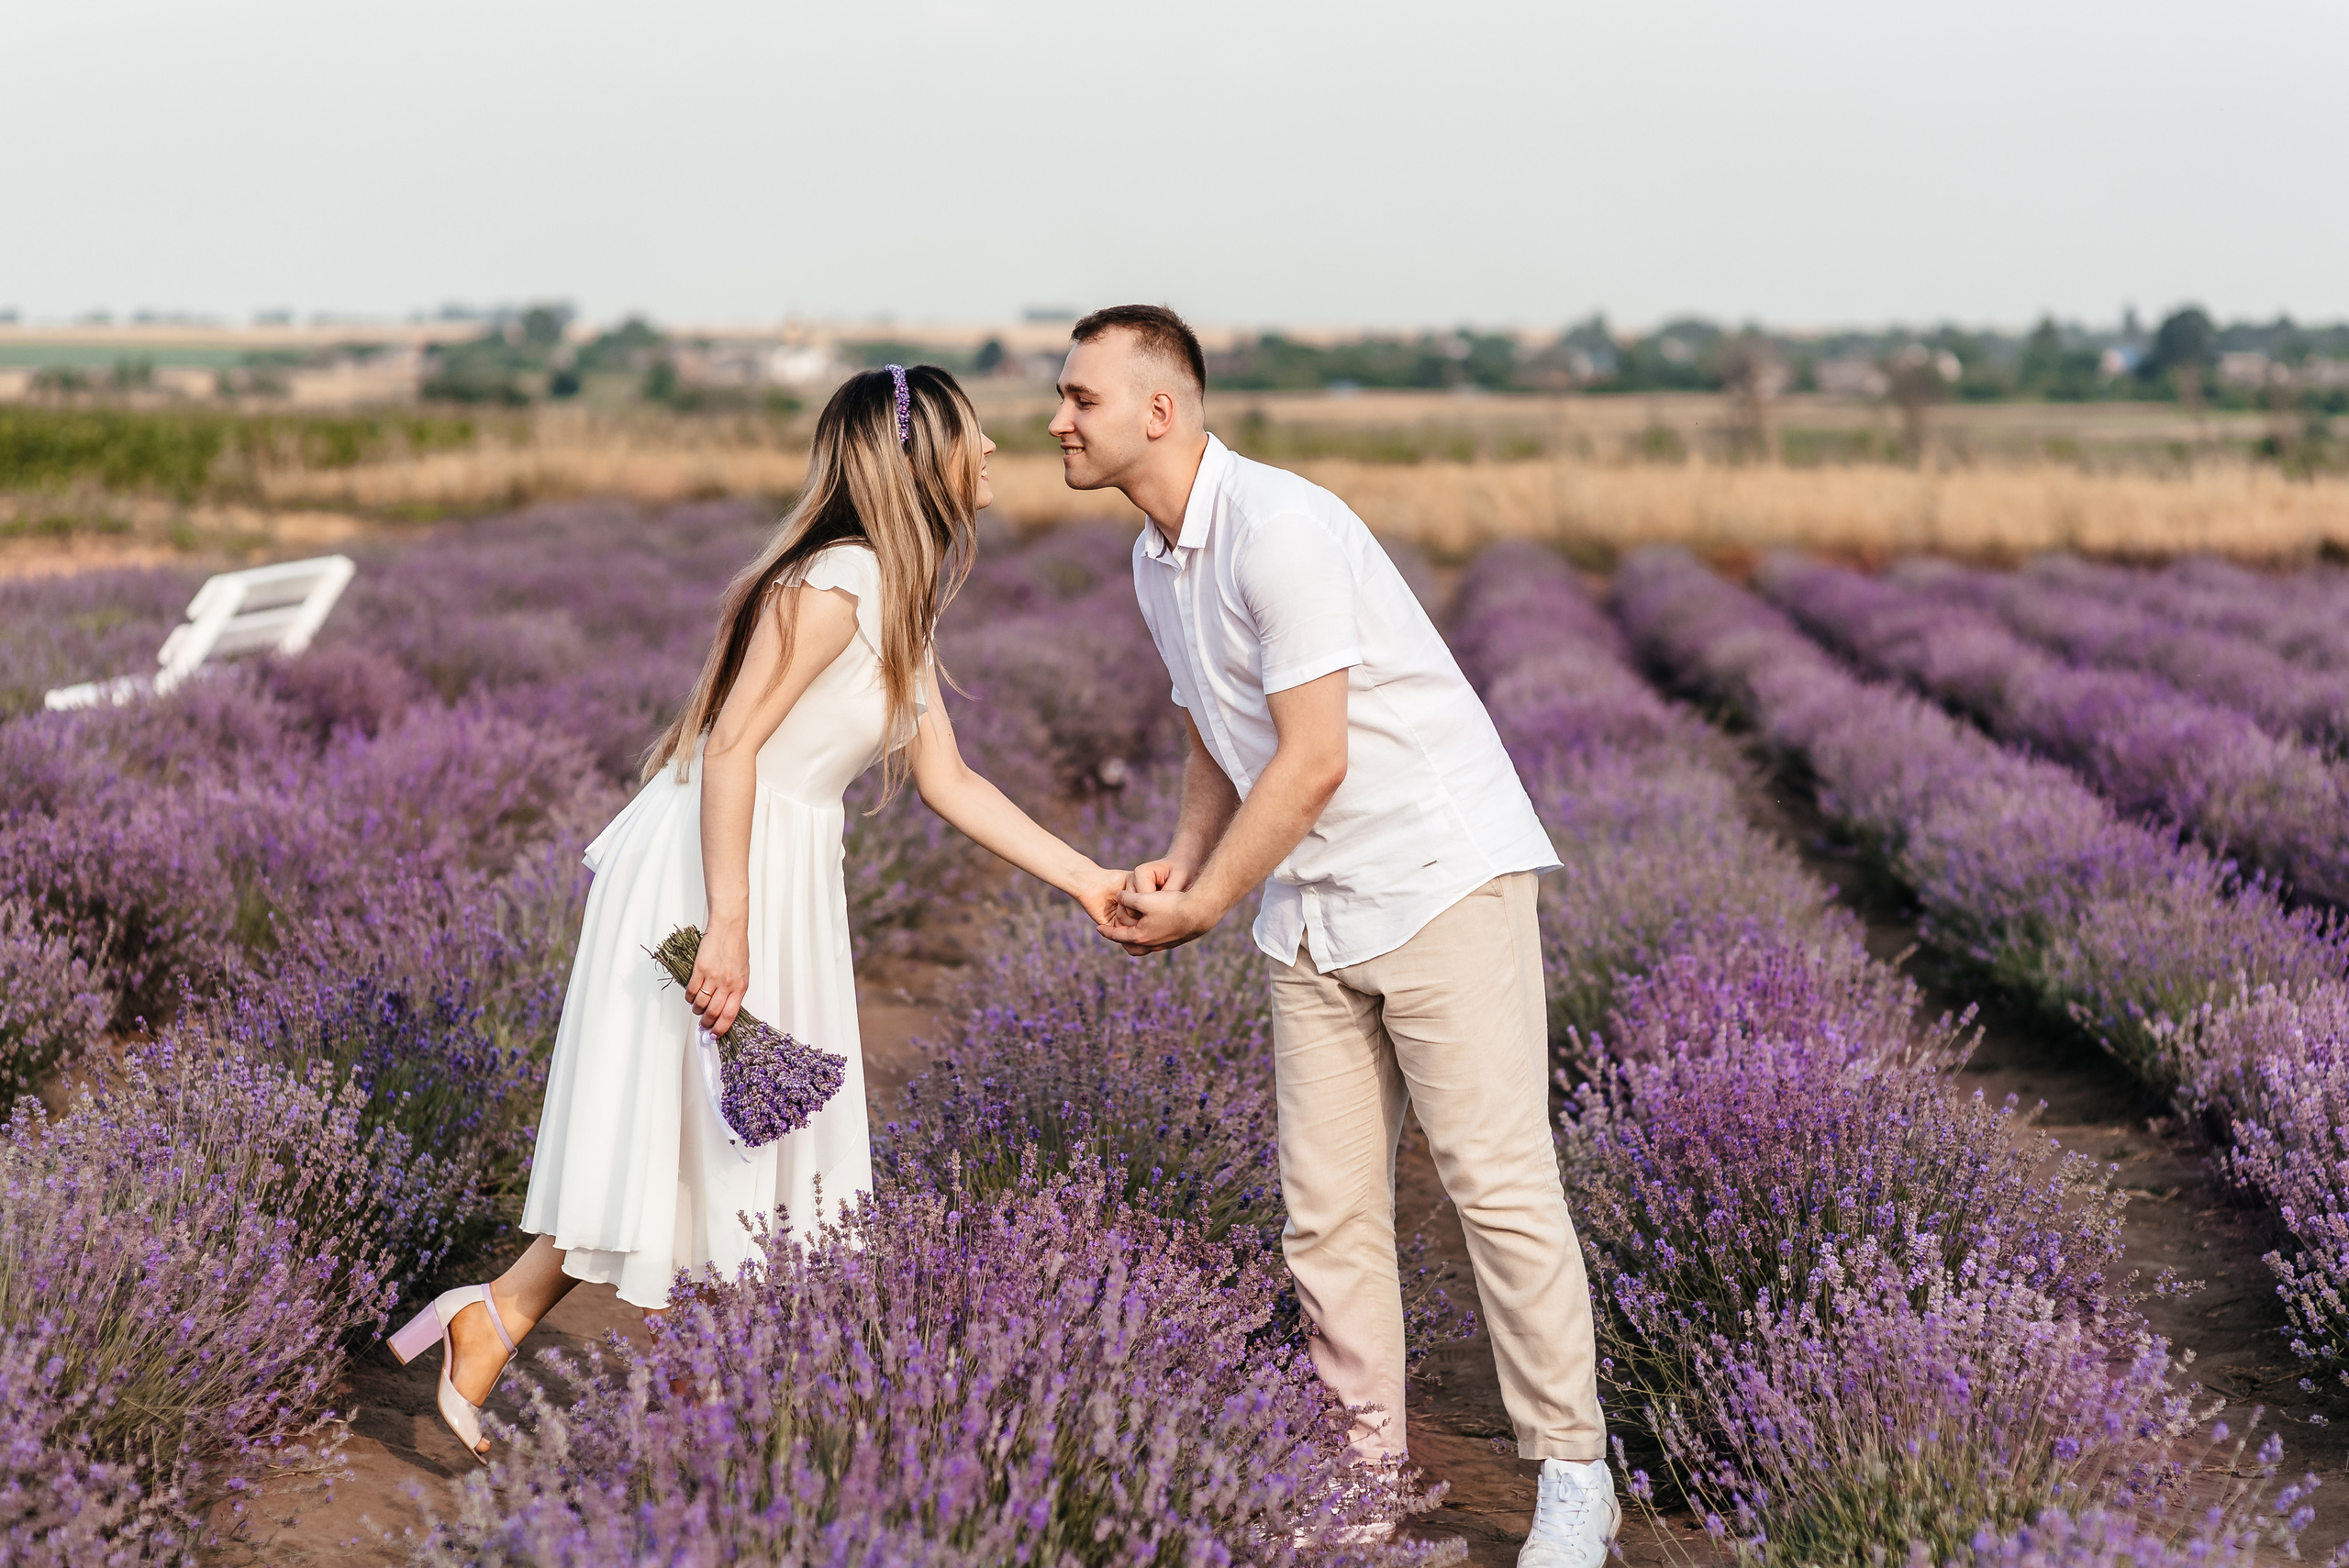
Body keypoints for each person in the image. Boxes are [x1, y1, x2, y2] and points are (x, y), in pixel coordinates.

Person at [387, 364, 1130, 1462]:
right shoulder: (842, 577)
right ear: (923, 459)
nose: (993, 457)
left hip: (771, 862)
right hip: (714, 865)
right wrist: (729, 922)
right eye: (976, 438)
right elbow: (730, 744)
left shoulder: (894, 589)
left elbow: (952, 783)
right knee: (721, 1137)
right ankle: (713, 1411)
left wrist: (1088, 880)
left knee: (713, 1131)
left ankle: (497, 1322)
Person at [1061, 306, 1616, 1567]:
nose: (1055, 420)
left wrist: (1202, 908)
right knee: (1325, 1213)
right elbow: (1218, 728)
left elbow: (1313, 761)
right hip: (1308, 905)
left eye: (1078, 396)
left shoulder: (1283, 530)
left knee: (1495, 1180)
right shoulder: (1157, 562)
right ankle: (1361, 1477)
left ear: (1161, 408)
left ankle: (1575, 1473)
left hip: (1433, 877)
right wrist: (1188, 862)